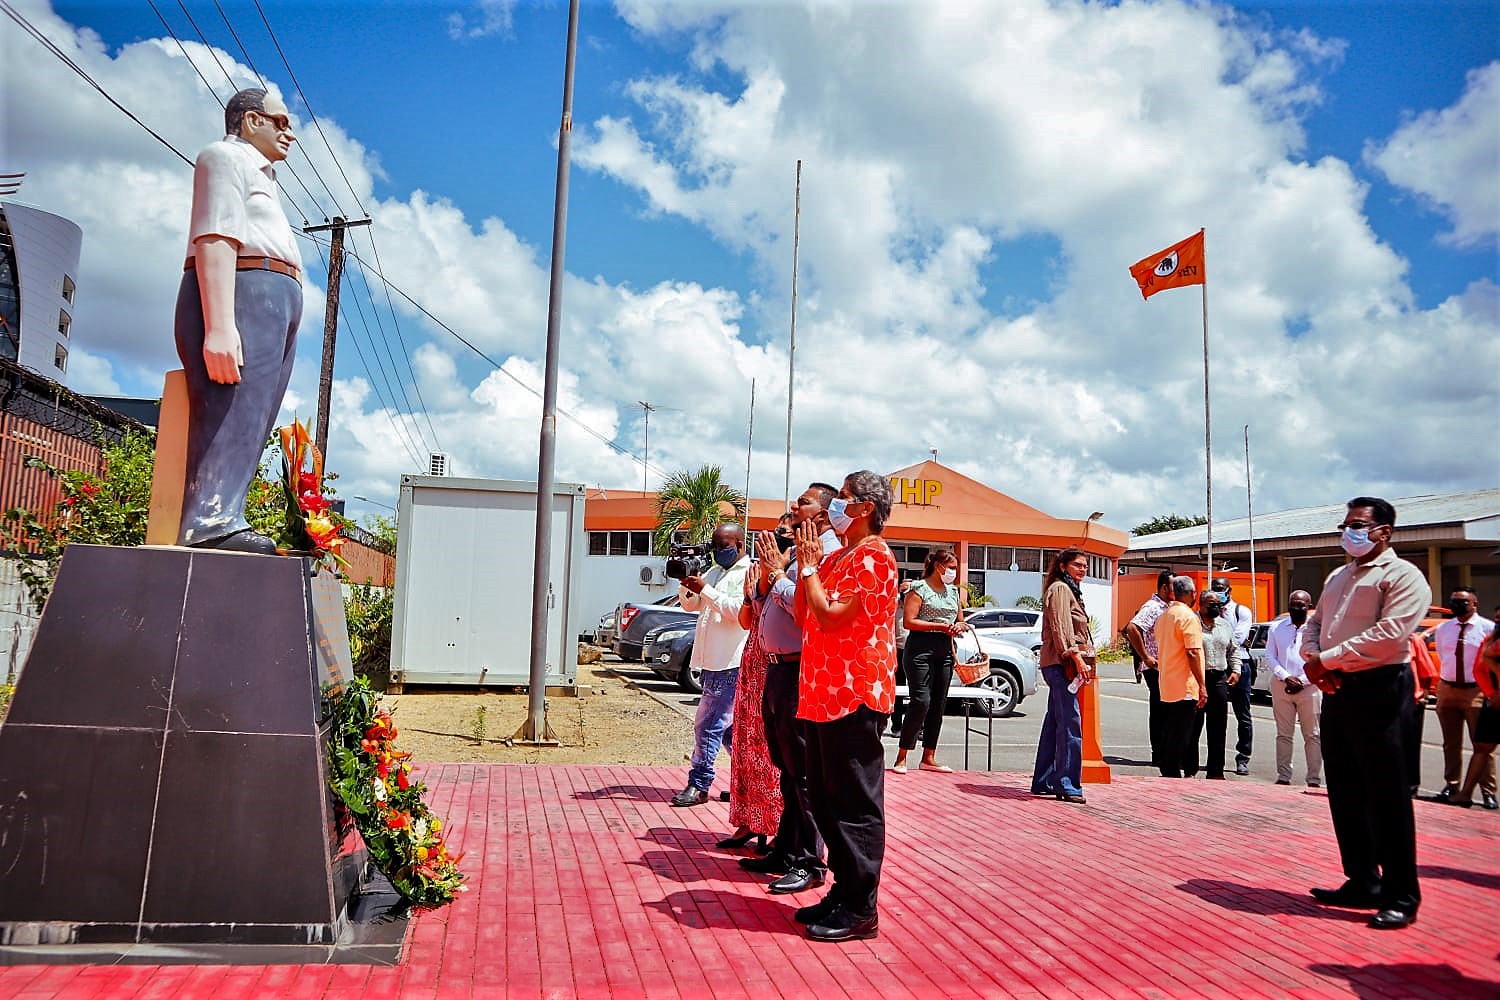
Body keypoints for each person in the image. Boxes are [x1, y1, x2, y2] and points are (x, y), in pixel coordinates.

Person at [176, 88, 304, 552]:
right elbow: (214, 236)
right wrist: (219, 326)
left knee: (255, 417)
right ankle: (210, 518)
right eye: (281, 121)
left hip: (273, 297)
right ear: (252, 121)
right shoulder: (223, 158)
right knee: (231, 410)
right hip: (244, 291)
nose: (289, 132)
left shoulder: (263, 176)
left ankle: (228, 510)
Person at [1303, 497, 1428, 930]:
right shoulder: (1338, 576)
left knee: (1387, 794)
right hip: (1339, 689)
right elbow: (1314, 624)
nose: (1349, 532)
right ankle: (1362, 880)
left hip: (1381, 688)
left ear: (1384, 532)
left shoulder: (1403, 576)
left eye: (1358, 525)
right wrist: (1313, 658)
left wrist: (1327, 660)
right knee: (1346, 789)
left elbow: (1390, 635)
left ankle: (1401, 893)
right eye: (1346, 524)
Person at [792, 471, 899, 942]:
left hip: (854, 694)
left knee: (854, 802)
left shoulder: (874, 558)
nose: (836, 507)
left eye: (846, 500)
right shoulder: (838, 558)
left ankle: (861, 905)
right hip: (821, 694)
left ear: (865, 510)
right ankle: (843, 889)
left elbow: (833, 617)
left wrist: (813, 570)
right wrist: (805, 565)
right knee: (825, 798)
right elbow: (804, 612)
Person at [738, 484, 840, 896]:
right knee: (784, 765)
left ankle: (810, 861)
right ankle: (786, 846)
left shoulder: (826, 555)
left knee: (803, 771)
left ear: (825, 513)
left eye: (805, 502)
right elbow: (765, 603)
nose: (794, 507)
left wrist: (778, 576)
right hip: (778, 667)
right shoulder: (797, 551)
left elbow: (805, 611)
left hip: (802, 669)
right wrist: (768, 576)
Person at [670, 522, 751, 807]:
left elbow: (737, 613)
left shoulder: (749, 574)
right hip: (711, 661)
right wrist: (688, 584)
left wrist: (706, 590)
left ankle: (699, 783)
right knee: (727, 729)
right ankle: (748, 783)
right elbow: (690, 606)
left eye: (723, 546)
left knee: (707, 725)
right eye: (714, 546)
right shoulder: (715, 571)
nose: (717, 552)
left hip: (730, 660)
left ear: (739, 545)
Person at [716, 565, 782, 852]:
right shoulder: (755, 573)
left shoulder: (791, 572)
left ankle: (778, 825)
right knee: (745, 746)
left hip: (776, 663)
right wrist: (749, 595)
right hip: (752, 660)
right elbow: (746, 621)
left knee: (770, 750)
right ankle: (748, 820)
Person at [1029, 548, 1096, 803]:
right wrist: (1075, 657)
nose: (1083, 569)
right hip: (1062, 664)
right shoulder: (1060, 589)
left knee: (1055, 722)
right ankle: (1067, 784)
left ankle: (1044, 780)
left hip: (1062, 663)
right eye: (1078, 565)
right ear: (1063, 566)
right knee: (1070, 723)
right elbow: (1061, 627)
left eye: (1085, 566)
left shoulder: (1070, 590)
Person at [892, 549, 966, 775]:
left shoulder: (953, 591)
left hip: (944, 649)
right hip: (919, 649)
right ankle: (902, 755)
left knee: (938, 704)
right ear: (938, 566)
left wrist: (958, 627)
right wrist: (939, 626)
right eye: (950, 567)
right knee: (921, 701)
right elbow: (909, 621)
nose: (953, 571)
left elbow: (961, 620)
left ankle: (929, 756)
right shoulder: (919, 588)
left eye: (955, 568)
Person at [1432, 587, 1496, 809]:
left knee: (1482, 744)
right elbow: (1442, 654)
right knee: (1451, 743)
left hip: (1475, 690)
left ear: (1475, 604)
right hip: (1448, 689)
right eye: (1454, 601)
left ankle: (1488, 791)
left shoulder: (1487, 628)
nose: (1457, 605)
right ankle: (1452, 785)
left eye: (1462, 602)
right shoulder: (1444, 629)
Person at [1153, 576, 1208, 778]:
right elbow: (1192, 652)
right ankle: (1171, 771)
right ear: (1193, 594)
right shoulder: (1188, 617)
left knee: (1171, 729)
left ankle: (1169, 767)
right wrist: (1202, 685)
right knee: (1183, 733)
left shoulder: (1165, 615)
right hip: (1185, 683)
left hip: (1168, 682)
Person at [1266, 591, 1322, 788]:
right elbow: (1270, 657)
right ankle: (1283, 776)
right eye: (1294, 604)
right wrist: (1286, 676)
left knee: (1313, 735)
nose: (1297, 608)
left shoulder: (1317, 630)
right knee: (1283, 734)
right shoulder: (1276, 628)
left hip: (1310, 687)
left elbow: (1321, 659)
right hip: (1282, 686)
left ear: (1309, 606)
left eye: (1301, 605)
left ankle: (1314, 779)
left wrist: (1302, 680)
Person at [1189, 589, 1242, 780]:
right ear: (1201, 605)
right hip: (1197, 679)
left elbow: (1233, 650)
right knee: (1194, 725)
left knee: (1218, 727)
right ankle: (1190, 769)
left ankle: (1216, 771)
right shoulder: (1192, 623)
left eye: (1219, 604)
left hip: (1219, 678)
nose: (1216, 607)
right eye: (1212, 604)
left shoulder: (1224, 625)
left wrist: (1236, 670)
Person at [1125, 571, 1174, 768]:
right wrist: (1145, 656)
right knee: (1160, 710)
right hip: (1155, 667)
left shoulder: (1170, 607)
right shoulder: (1153, 606)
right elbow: (1132, 628)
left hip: (1169, 667)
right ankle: (1159, 754)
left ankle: (1167, 751)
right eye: (1173, 586)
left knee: (1170, 711)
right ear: (1163, 587)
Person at [1210, 577, 1254, 775]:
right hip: (1216, 666)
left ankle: (1243, 757)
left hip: (1239, 665)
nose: (1218, 592)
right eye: (1214, 588)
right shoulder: (1207, 611)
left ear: (1229, 590)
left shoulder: (1241, 611)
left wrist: (1217, 641)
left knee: (1242, 715)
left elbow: (1237, 638)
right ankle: (1214, 760)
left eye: (1220, 589)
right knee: (1213, 715)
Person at [1453, 623, 1500, 808]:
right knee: (1482, 747)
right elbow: (1479, 668)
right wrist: (1491, 694)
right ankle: (1465, 793)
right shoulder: (1490, 640)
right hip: (1494, 702)